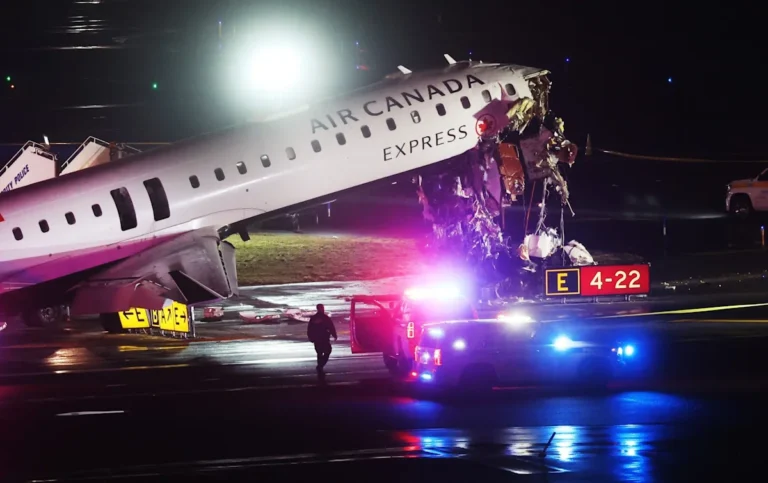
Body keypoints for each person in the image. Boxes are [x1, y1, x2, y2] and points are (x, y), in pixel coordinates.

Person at [307, 303, 337, 373]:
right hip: (324, 338)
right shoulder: (325, 318)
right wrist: (334, 334)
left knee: (319, 353)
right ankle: (320, 365)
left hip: (317, 339)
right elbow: (331, 326)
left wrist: (310, 337)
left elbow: (310, 328)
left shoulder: (314, 318)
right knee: (327, 351)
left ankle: (320, 365)